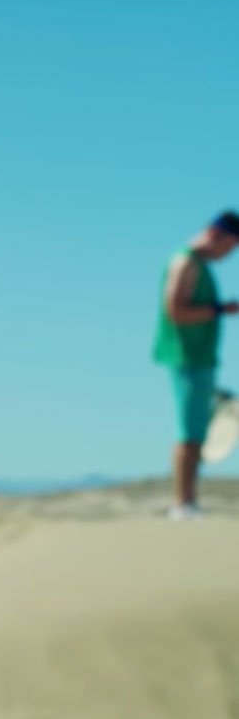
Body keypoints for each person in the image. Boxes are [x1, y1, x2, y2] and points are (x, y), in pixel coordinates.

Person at [152, 210, 239, 519]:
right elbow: (175, 310)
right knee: (189, 433)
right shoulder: (186, 262)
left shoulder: (198, 264)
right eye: (229, 248)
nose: (228, 256)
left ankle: (188, 501)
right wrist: (219, 310)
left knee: (197, 432)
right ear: (216, 235)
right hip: (186, 357)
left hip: (200, 357)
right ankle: (183, 504)